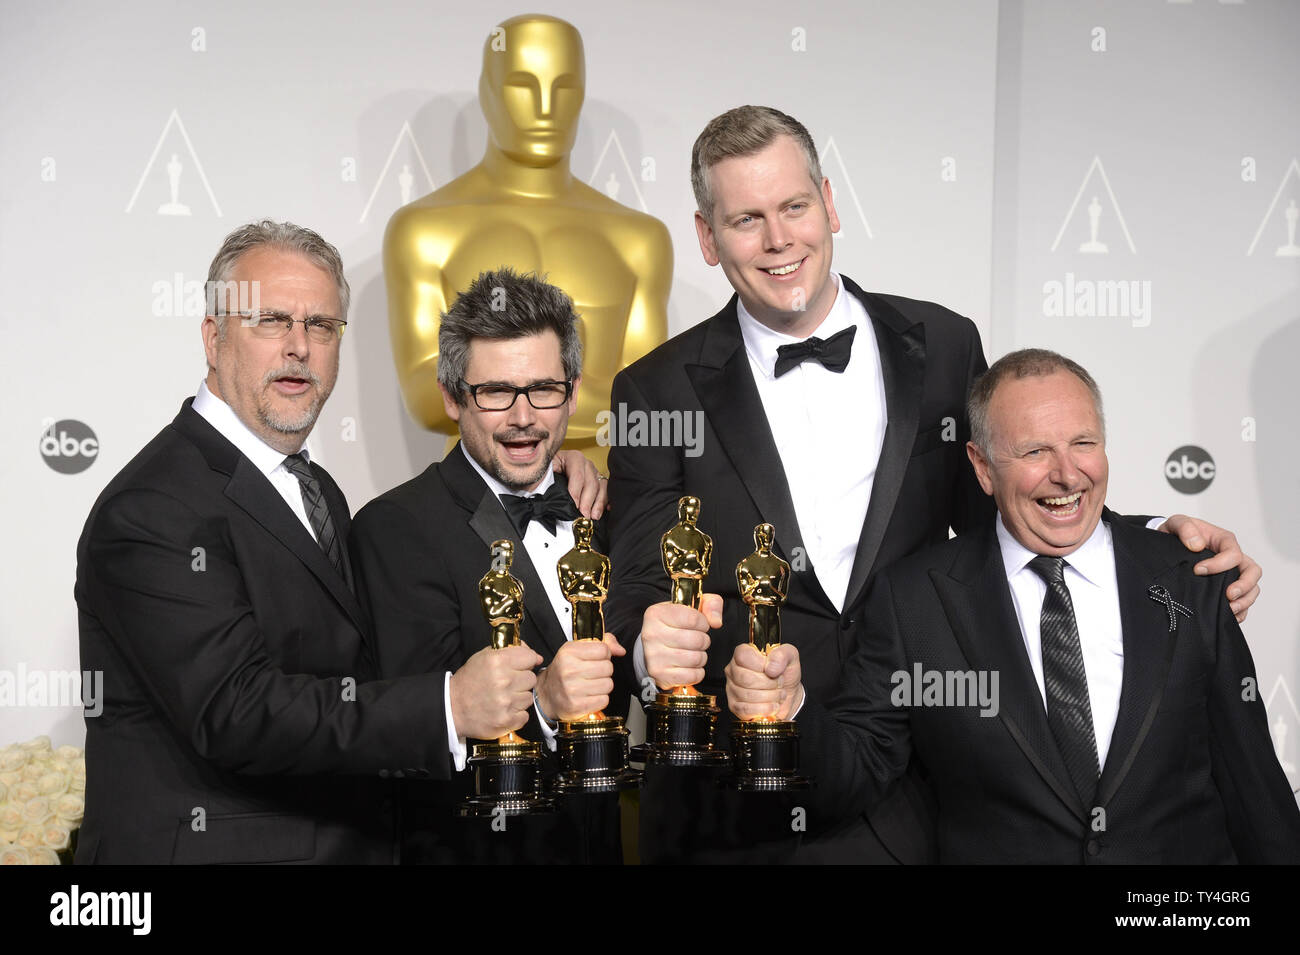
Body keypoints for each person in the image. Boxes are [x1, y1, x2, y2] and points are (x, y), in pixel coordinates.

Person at [604, 106, 1263, 863]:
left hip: (912, 785)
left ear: (829, 201)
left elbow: (1008, 511)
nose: (779, 239)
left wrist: (1157, 548)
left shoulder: (943, 344)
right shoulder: (653, 391)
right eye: (747, 219)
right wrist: (654, 655)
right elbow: (636, 588)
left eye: (794, 206)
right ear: (707, 238)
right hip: (729, 804)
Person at [73, 221, 594, 864]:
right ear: (214, 338)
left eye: (321, 326)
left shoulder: (315, 486)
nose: (299, 347)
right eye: (272, 320)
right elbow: (235, 711)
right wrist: (448, 706)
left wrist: (557, 472)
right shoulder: (154, 506)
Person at [727, 349, 1300, 863]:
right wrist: (791, 708)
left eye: (1084, 443)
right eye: (1035, 451)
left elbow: (1253, 785)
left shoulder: (1189, 575)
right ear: (981, 467)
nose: (1067, 473)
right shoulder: (914, 600)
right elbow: (853, 774)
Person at [349, 268, 631, 864]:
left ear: (573, 392)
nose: (523, 416)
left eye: (543, 389)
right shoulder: (396, 528)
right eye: (496, 391)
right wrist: (543, 708)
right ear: (452, 398)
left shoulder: (600, 509)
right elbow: (408, 739)